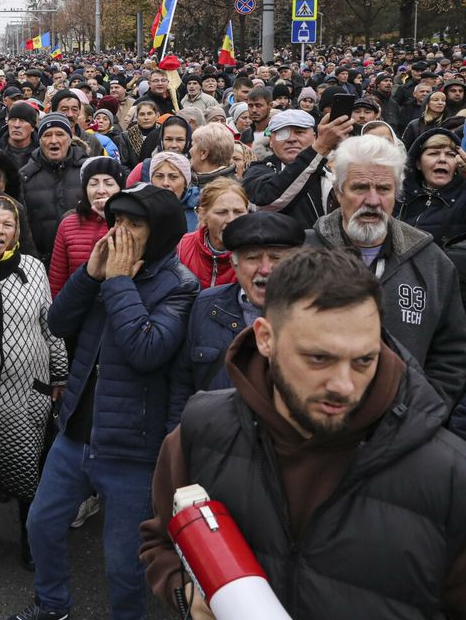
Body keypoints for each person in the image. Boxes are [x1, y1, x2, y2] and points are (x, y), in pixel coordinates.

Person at [141, 248, 466, 620]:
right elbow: (161, 539)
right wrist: (186, 594)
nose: (344, 385)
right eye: (319, 358)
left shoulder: (450, 476)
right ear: (265, 339)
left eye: (364, 360)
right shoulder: (202, 430)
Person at [7, 184, 197, 620]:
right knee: (42, 525)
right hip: (76, 433)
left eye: (134, 224)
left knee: (123, 564)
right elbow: (57, 322)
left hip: (132, 449)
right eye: (116, 222)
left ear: (162, 231)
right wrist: (90, 275)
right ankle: (53, 605)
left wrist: (117, 283)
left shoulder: (181, 287)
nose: (119, 233)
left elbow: (146, 350)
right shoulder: (106, 268)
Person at [305, 135, 466, 407]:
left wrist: (423, 412)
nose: (373, 200)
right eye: (360, 188)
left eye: (383, 189)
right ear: (338, 191)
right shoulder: (302, 254)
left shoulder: (432, 262)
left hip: (406, 430)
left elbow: (452, 353)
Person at [0, 195, 67, 570]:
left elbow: (49, 323)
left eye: (7, 225)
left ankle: (29, 536)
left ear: (17, 231)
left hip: (27, 389)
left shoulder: (34, 269)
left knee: (27, 465)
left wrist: (60, 373)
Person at [168, 211, 305, 426]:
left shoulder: (310, 314)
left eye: (276, 258)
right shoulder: (206, 305)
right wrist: (181, 443)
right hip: (214, 446)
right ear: (235, 264)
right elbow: (182, 385)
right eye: (253, 258)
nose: (265, 269)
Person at [244, 108, 352, 227]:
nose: (291, 139)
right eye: (282, 133)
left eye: (300, 132)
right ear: (271, 141)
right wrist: (321, 147)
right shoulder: (257, 171)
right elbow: (267, 200)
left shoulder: (332, 174)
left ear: (314, 137)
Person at [48, 156, 124, 297]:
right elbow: (57, 281)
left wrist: (112, 219)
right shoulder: (67, 225)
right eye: (94, 183)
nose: (101, 190)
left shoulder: (131, 223)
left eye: (108, 183)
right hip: (76, 307)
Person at [21, 113, 90, 266]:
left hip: (84, 263)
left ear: (70, 138)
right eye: (47, 135)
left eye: (60, 134)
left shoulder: (87, 172)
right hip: (41, 263)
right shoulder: (25, 177)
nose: (54, 140)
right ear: (39, 140)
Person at [176, 177, 249, 288]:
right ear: (202, 214)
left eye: (238, 212)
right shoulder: (181, 248)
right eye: (222, 212)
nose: (231, 220)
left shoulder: (255, 254)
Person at [396, 127, 466, 243]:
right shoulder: (400, 197)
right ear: (418, 164)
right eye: (434, 153)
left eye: (450, 154)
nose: (442, 159)